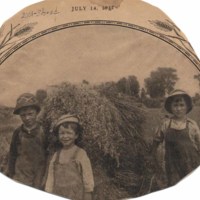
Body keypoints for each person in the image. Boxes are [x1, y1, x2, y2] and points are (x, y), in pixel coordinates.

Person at [152, 89, 200, 187]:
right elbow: (156, 142)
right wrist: (156, 161)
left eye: (182, 105)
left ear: (187, 107)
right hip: (172, 164)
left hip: (191, 163)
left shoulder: (192, 125)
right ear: (171, 107)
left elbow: (199, 144)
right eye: (175, 105)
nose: (179, 108)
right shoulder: (165, 124)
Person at [44, 114, 94, 200]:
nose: (65, 136)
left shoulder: (81, 154)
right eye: (62, 133)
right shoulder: (56, 155)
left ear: (76, 135)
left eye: (69, 133)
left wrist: (87, 196)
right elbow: (50, 180)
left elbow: (88, 180)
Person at [7, 93, 47, 189]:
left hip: (39, 174)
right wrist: (11, 174)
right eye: (23, 115)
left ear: (36, 112)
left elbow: (48, 153)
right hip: (21, 175)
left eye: (30, 114)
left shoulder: (44, 130)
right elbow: (13, 154)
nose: (27, 118)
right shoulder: (17, 133)